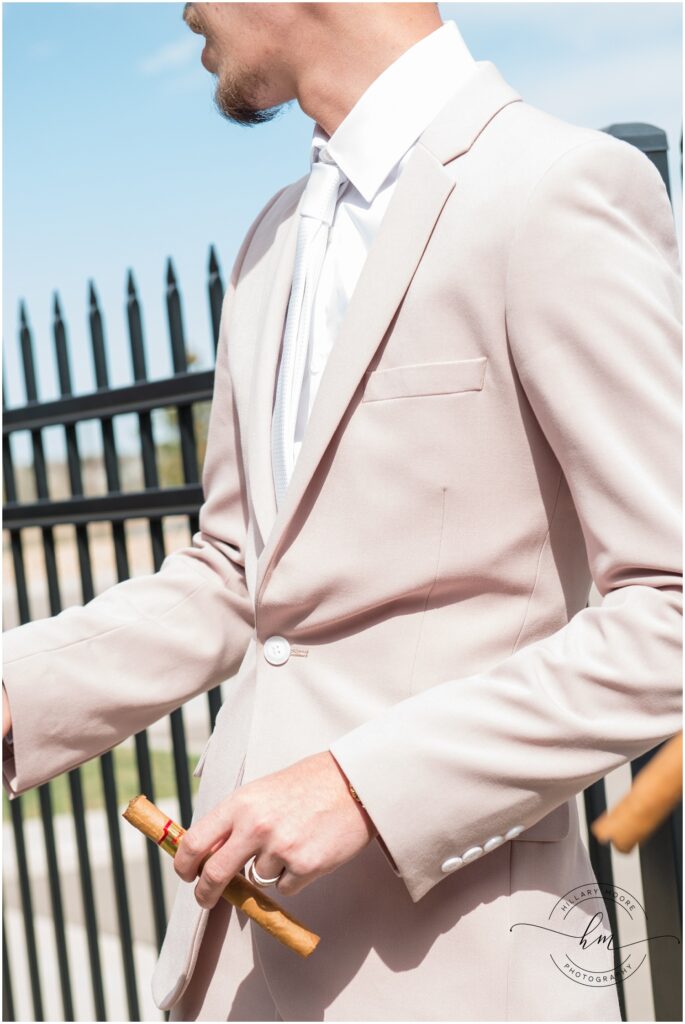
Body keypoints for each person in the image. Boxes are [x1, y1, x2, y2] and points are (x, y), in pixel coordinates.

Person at [3, 3, 681, 1020]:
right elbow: (236, 571)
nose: (180, 7)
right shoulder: (270, 238)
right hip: (231, 960)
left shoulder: (555, 188)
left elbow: (670, 608)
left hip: (460, 965)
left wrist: (366, 784)